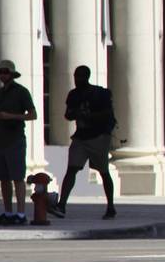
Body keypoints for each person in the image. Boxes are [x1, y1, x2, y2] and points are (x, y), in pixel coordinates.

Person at [50, 66, 117, 220]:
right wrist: (76, 114)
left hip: (98, 137)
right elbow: (68, 114)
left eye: (80, 76)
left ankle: (111, 206)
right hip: (81, 137)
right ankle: (61, 205)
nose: (77, 79)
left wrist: (90, 116)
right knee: (71, 169)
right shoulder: (73, 95)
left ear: (87, 77)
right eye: (76, 76)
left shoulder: (99, 94)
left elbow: (107, 113)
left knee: (103, 171)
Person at [0, 60, 37, 226]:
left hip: (15, 138)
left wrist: (11, 116)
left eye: (5, 72)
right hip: (0, 138)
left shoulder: (21, 92)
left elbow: (32, 114)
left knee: (17, 177)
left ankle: (21, 213)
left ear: (11, 74)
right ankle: (8, 212)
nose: (3, 75)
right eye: (0, 72)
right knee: (3, 177)